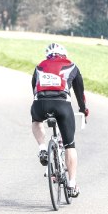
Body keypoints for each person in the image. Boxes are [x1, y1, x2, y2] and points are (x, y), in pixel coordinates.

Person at [30, 43, 89, 198]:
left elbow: (34, 89)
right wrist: (84, 110)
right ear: (64, 54)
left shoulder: (39, 66)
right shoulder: (72, 66)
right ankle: (71, 184)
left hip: (40, 104)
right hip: (62, 105)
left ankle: (42, 148)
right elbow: (79, 93)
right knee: (70, 145)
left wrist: (40, 106)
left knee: (36, 121)